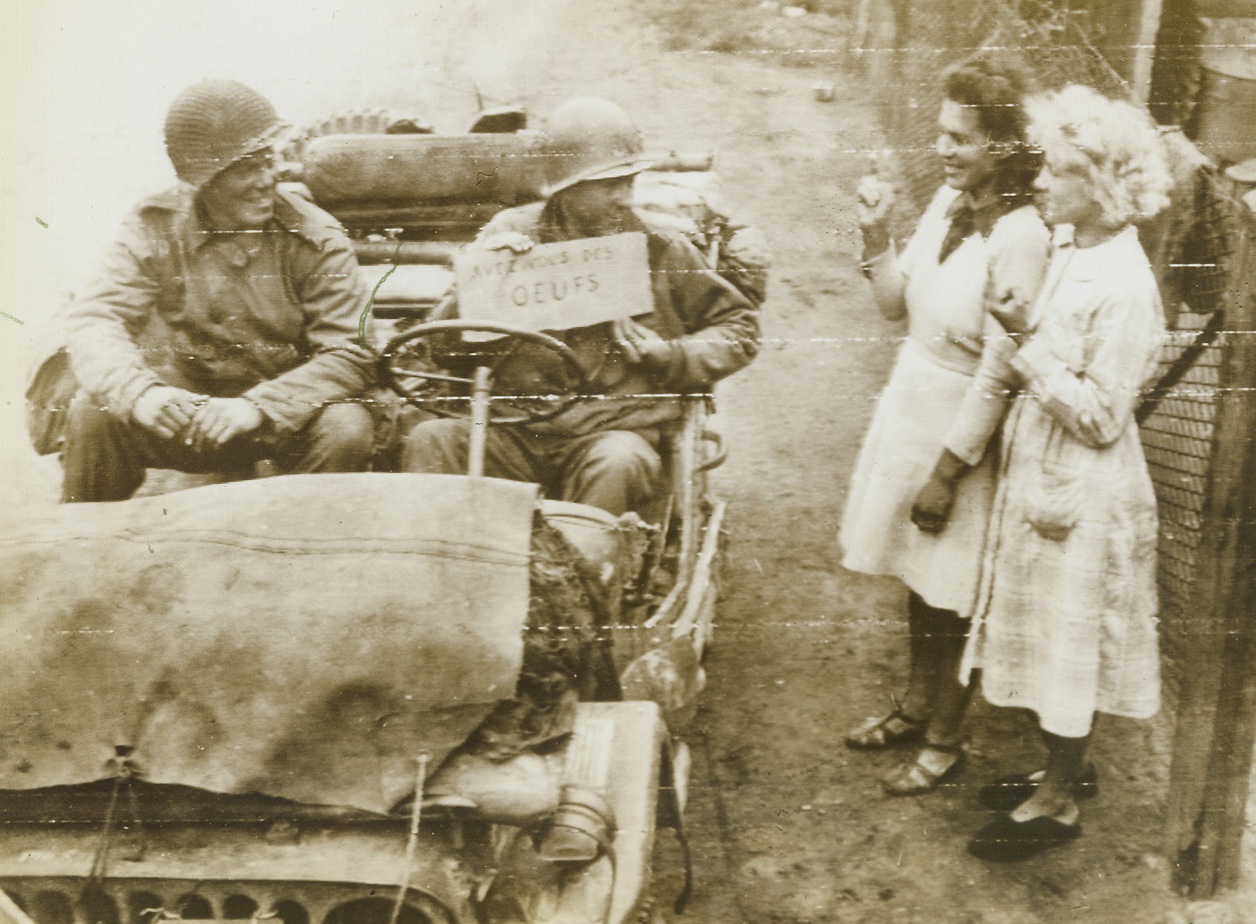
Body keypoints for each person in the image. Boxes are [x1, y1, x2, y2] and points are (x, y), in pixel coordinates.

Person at [963, 85, 1172, 861]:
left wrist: (1027, 344)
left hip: (1086, 491)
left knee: (1069, 651)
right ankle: (1057, 771)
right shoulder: (1070, 250)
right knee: (1049, 644)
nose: (1041, 183)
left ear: (1105, 186)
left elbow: (1102, 417)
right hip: (1049, 481)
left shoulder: (1127, 286)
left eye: (1057, 172)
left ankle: (1058, 802)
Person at [838, 53, 1051, 795]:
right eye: (942, 133)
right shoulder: (949, 205)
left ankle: (946, 736)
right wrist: (875, 232)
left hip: (964, 435)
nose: (943, 150)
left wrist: (946, 472)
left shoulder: (1023, 234)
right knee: (918, 583)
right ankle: (915, 705)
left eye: (959, 138)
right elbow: (896, 305)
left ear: (1003, 145)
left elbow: (1000, 371)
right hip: (911, 405)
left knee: (953, 592)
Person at [400, 97, 760, 516]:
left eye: (631, 182)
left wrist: (670, 353)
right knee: (434, 440)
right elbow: (443, 349)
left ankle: (584, 578)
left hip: (610, 433)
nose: (626, 198)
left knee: (618, 462)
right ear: (567, 189)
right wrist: (480, 286)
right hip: (512, 429)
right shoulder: (510, 232)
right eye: (611, 185)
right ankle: (437, 570)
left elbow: (739, 329)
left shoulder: (661, 248)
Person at [61, 80, 378, 503]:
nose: (266, 180)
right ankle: (85, 554)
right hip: (191, 413)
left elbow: (352, 352)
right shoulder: (155, 226)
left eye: (268, 161)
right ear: (203, 181)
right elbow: (95, 319)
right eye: (246, 168)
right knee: (92, 414)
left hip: (288, 416)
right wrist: (140, 393)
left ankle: (300, 555)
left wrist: (257, 408)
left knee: (346, 429)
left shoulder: (315, 237)